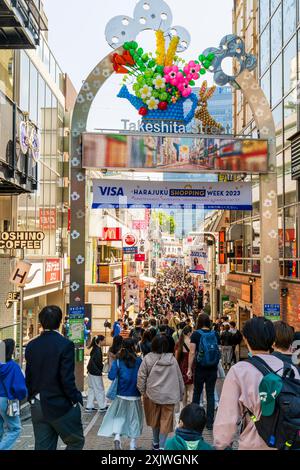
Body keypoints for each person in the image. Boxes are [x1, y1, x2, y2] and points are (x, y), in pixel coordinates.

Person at [213, 317, 300, 450]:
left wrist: (221, 444)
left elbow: (226, 419)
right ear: (272, 340)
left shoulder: (239, 371)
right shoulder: (291, 369)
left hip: (254, 443)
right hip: (286, 443)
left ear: (246, 339)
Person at [25, 306, 84, 450]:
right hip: (60, 405)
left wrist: (32, 397)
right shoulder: (65, 345)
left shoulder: (31, 345)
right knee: (75, 441)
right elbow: (66, 379)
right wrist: (75, 398)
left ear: (41, 322)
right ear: (60, 322)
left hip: (37, 404)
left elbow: (29, 375)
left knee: (43, 446)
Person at [137, 335, 184, 450]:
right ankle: (162, 446)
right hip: (169, 396)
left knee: (154, 420)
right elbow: (179, 378)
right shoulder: (172, 359)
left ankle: (155, 443)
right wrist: (181, 393)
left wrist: (143, 392)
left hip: (152, 395)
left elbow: (141, 377)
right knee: (166, 421)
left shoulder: (148, 358)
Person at [98, 339, 143, 450]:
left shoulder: (118, 361)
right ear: (134, 347)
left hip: (121, 394)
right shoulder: (139, 361)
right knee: (134, 420)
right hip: (135, 394)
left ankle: (117, 437)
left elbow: (111, 376)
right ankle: (132, 445)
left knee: (119, 417)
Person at [187, 313, 220, 430]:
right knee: (210, 394)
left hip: (200, 368)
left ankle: (194, 420)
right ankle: (210, 422)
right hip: (212, 368)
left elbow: (192, 352)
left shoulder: (196, 334)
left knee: (197, 393)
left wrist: (189, 368)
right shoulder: (215, 333)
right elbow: (217, 350)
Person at [0, 339, 27, 450]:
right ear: (11, 351)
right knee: (15, 429)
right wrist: (21, 396)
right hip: (7, 400)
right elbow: (19, 388)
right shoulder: (13, 367)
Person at [86, 335, 108, 413]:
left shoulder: (95, 349)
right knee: (99, 389)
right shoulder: (98, 350)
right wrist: (100, 370)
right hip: (95, 372)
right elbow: (97, 363)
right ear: (100, 341)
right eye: (103, 340)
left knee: (91, 389)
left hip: (91, 371)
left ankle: (89, 406)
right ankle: (102, 406)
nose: (104, 341)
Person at [175, 326, 194, 407]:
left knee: (184, 390)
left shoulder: (178, 343)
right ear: (189, 333)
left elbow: (176, 358)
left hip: (181, 368)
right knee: (191, 389)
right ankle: (191, 409)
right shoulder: (192, 343)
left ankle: (184, 409)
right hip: (191, 367)